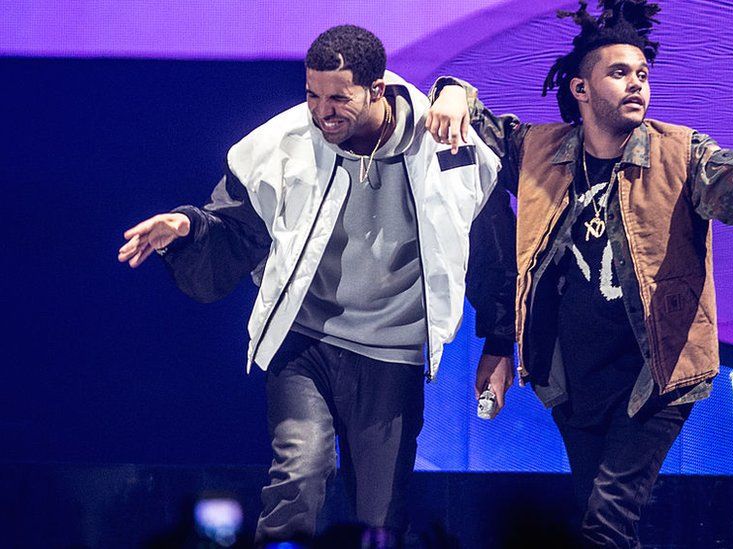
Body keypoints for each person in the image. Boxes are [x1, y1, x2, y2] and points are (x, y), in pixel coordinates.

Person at [426, 0, 733, 546]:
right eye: (618, 72)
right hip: (572, 378)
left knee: (606, 521)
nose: (636, 83)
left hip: (654, 375)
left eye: (642, 74)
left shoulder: (681, 156)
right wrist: (452, 90)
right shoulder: (538, 150)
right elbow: (477, 126)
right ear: (581, 89)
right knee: (601, 523)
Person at [117, 25, 514, 544]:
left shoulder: (442, 146)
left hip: (391, 354)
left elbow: (487, 248)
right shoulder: (282, 143)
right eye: (313, 95)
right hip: (304, 344)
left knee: (380, 516)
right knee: (299, 475)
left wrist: (499, 342)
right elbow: (236, 228)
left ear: (377, 89)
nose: (323, 112)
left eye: (339, 99)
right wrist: (188, 226)